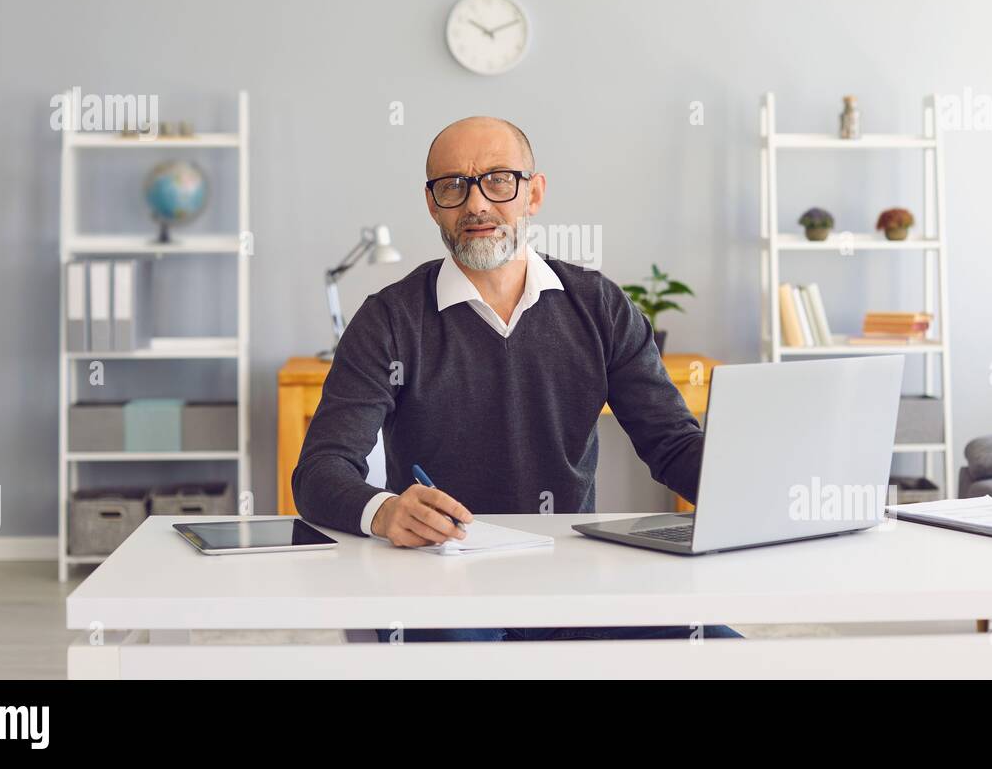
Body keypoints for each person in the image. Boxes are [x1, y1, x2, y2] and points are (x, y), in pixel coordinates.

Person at [292, 116, 741, 641]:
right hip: (440, 581)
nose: (477, 204)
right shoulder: (388, 319)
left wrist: (757, 489)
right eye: (454, 186)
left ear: (535, 193)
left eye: (499, 179)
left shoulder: (599, 306)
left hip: (572, 581)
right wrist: (386, 511)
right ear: (433, 204)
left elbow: (671, 445)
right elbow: (320, 471)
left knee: (720, 651)